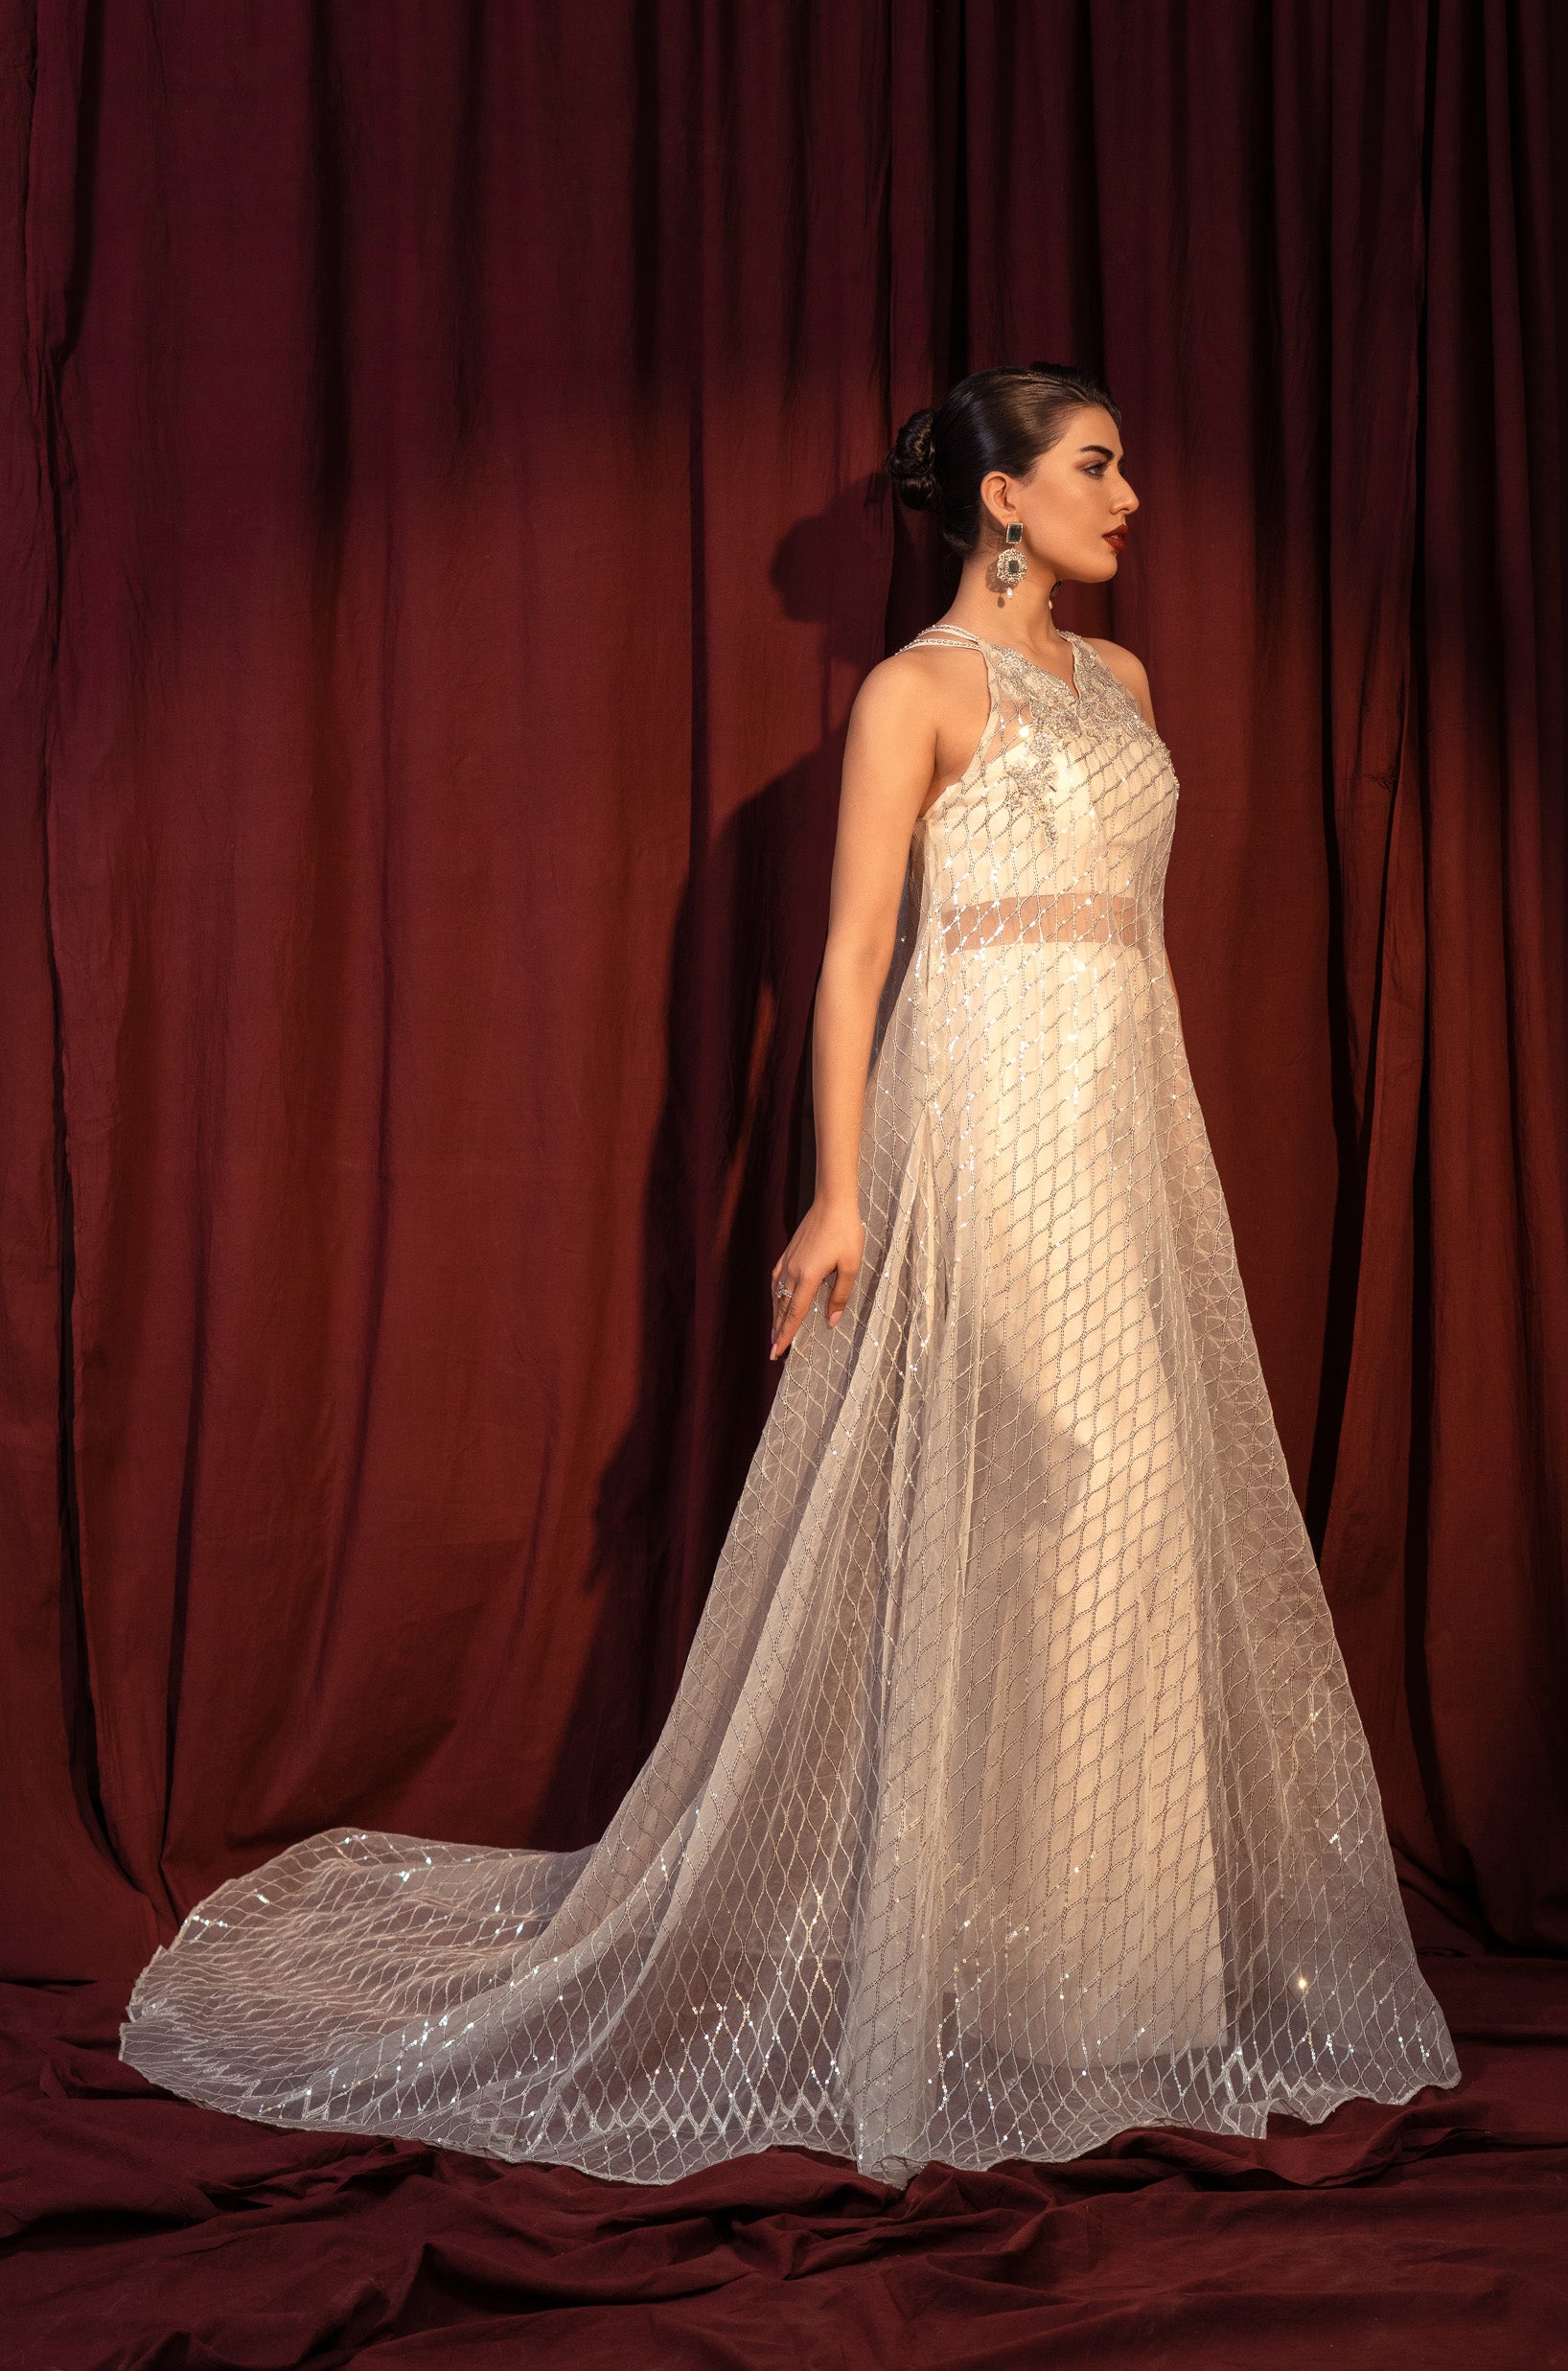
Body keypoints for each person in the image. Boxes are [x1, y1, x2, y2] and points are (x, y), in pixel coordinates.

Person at [119, 362, 1461, 2187]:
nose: (1130, 495)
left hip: (1127, 1134)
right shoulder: (915, 692)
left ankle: (1111, 1971)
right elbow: (851, 956)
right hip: (983, 1131)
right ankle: (989, 1962)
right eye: (1096, 466)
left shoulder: (1129, 685)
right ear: (1003, 497)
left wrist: (1160, 1148)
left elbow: (1136, 949)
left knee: (1137, 1512)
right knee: (1034, 1509)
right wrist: (841, 1195)